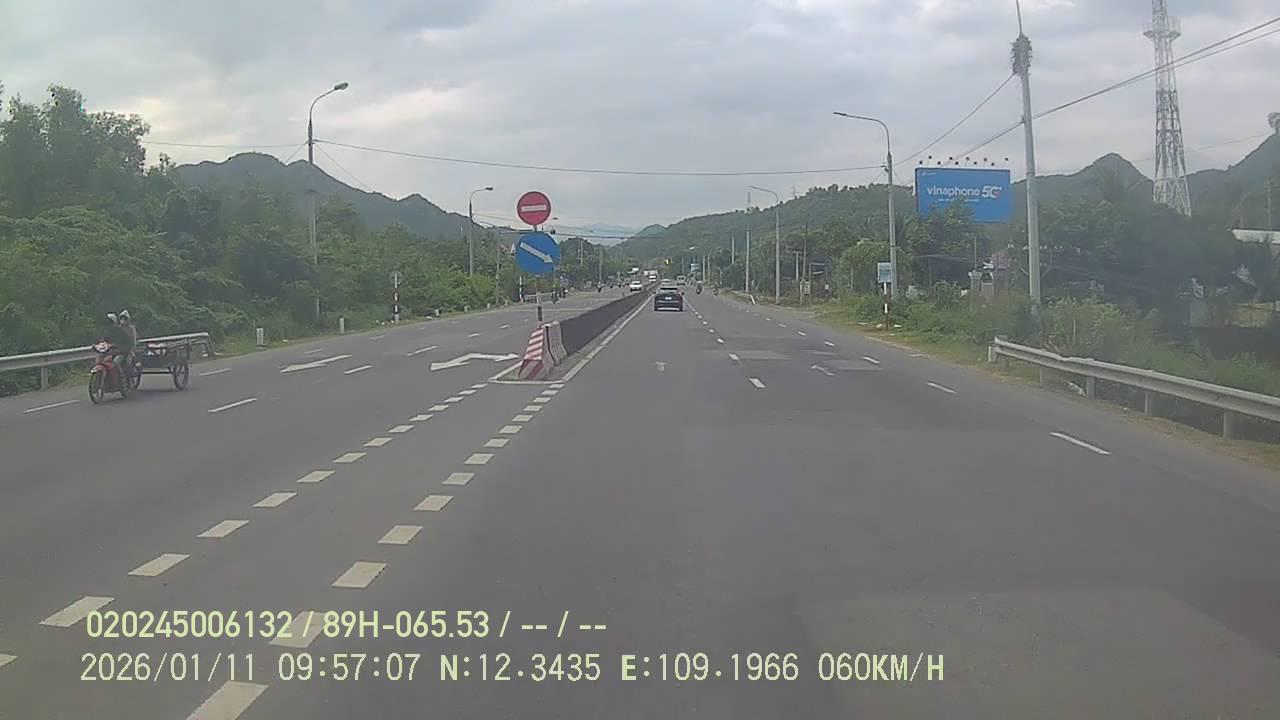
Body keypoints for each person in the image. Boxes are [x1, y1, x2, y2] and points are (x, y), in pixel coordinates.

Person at [117, 309, 139, 382]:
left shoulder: (131, 329)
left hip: (129, 351)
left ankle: (129, 378)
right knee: (115, 362)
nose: (123, 320)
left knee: (128, 363)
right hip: (119, 351)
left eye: (125, 319)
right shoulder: (118, 328)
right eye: (122, 319)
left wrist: (131, 349)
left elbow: (133, 340)